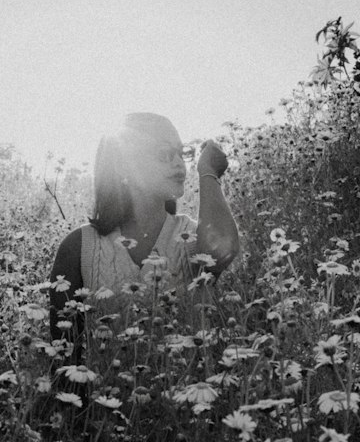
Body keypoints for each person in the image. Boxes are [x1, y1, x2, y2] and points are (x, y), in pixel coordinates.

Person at [48, 112, 240, 353]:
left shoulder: (192, 237)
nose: (179, 163)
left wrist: (208, 173)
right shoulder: (79, 247)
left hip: (187, 390)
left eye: (182, 153)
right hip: (104, 390)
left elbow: (222, 250)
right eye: (164, 154)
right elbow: (64, 355)